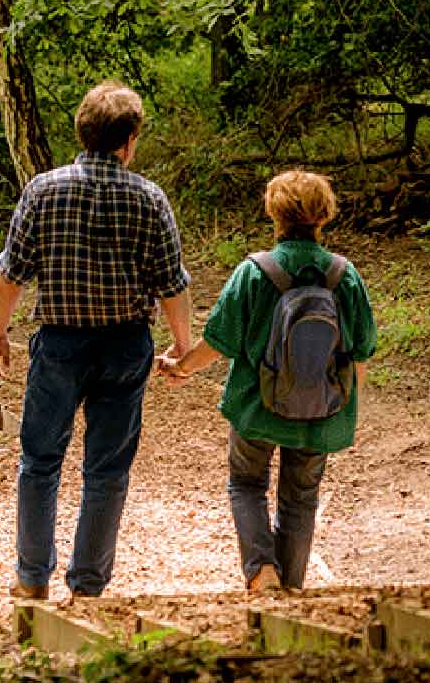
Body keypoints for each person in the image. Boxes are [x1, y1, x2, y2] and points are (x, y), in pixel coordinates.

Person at [0, 81, 192, 600]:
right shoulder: (148, 198)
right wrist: (183, 345)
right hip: (124, 346)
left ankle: (32, 579)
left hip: (59, 345)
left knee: (39, 460)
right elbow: (172, 284)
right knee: (107, 468)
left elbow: (11, 275)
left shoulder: (43, 189)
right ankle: (89, 586)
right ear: (128, 141)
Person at [160, 171, 375, 592]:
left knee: (246, 483)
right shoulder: (345, 277)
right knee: (301, 498)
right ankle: (291, 588)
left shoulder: (254, 273)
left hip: (256, 407)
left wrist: (182, 367)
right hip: (321, 413)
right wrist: (343, 406)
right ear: (323, 217)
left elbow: (219, 340)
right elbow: (361, 352)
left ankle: (261, 571)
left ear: (273, 214)